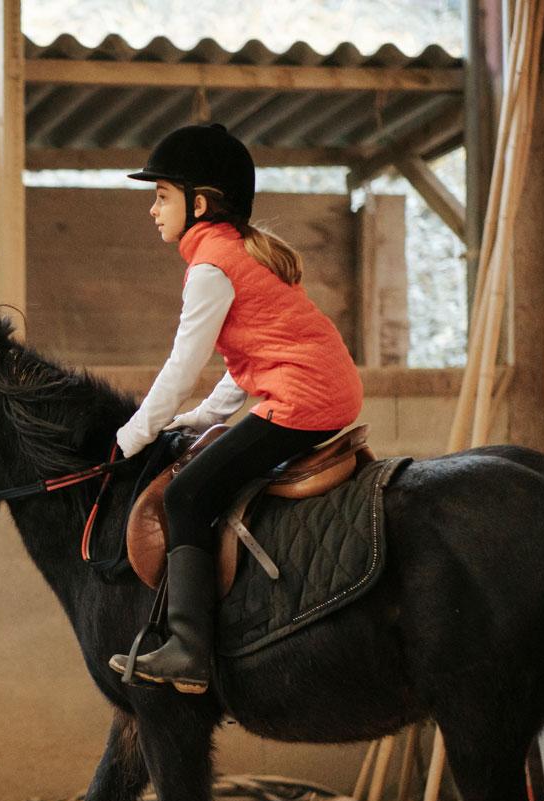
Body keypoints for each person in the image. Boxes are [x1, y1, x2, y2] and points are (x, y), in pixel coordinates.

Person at [108, 123, 363, 694]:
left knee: (187, 494)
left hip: (305, 399)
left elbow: (181, 366)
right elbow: (246, 358)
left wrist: (131, 436)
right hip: (315, 389)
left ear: (199, 203)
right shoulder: (229, 255)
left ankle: (189, 651)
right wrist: (203, 417)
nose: (152, 210)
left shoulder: (211, 267)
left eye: (162, 196)